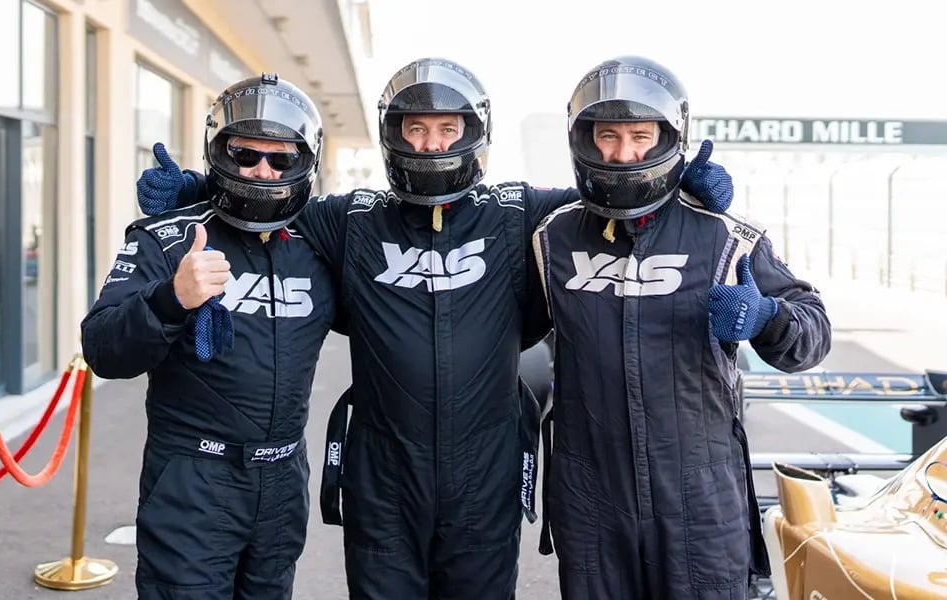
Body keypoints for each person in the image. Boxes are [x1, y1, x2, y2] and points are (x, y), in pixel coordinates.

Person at [135, 57, 735, 599]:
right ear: (392, 134)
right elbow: (271, 192)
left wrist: (680, 189)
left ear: (474, 133)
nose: (431, 144)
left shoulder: (519, 213)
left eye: (447, 128)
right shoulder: (351, 220)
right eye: (415, 129)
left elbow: (613, 192)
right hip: (383, 478)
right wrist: (198, 187)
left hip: (486, 476)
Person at [529, 55, 833, 600]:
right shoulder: (550, 237)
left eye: (641, 137)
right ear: (582, 139)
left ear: (672, 138)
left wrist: (768, 317)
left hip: (701, 505)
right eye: (607, 136)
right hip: (592, 503)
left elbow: (813, 333)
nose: (624, 154)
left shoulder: (726, 236)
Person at [81, 73, 335, 599]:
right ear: (219, 152)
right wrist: (170, 298)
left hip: (283, 483)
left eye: (281, 159)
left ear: (305, 162)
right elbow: (102, 348)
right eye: (245, 155)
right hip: (193, 483)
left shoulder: (320, 242)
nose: (262, 171)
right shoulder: (167, 237)